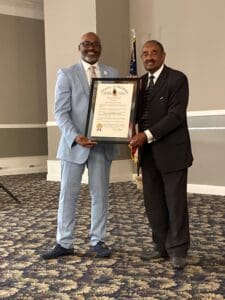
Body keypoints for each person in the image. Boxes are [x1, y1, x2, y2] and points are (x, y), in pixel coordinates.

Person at [42, 32, 118, 260]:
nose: (91, 48)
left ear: (100, 48)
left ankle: (98, 240)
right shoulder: (66, 74)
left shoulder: (112, 73)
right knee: (68, 194)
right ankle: (64, 241)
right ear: (80, 47)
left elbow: (117, 108)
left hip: (102, 145)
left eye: (96, 44)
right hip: (74, 145)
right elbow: (61, 112)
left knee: (100, 194)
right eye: (87, 44)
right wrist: (76, 137)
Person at [130, 40, 193, 269]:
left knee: (175, 203)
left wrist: (145, 135)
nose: (149, 57)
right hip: (147, 155)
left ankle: (178, 250)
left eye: (154, 53)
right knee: (153, 202)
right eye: (145, 54)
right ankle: (160, 246)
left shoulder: (177, 79)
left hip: (172, 153)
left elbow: (176, 116)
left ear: (163, 55)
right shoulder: (138, 83)